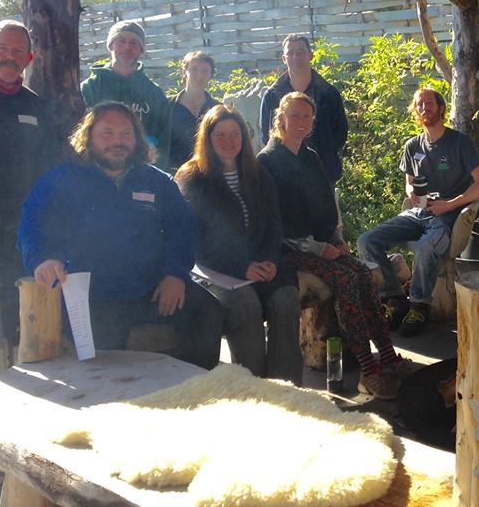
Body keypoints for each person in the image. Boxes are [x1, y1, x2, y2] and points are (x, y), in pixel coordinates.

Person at [17, 102, 222, 369]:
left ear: (137, 138)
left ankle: (196, 387)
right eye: (107, 133)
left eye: (126, 133)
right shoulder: (61, 180)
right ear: (88, 137)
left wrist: (175, 274)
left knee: (208, 311)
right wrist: (41, 259)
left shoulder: (157, 182)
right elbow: (31, 222)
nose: (117, 141)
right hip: (91, 297)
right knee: (105, 360)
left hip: (149, 290)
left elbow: (184, 229)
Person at [259, 92, 412, 398]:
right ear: (281, 118)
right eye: (295, 115)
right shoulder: (267, 161)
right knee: (344, 279)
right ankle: (368, 370)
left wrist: (336, 241)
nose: (301, 121)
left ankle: (387, 356)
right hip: (287, 250)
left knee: (361, 273)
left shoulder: (310, 157)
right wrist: (318, 249)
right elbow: (273, 223)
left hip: (320, 244)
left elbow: (325, 208)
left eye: (307, 116)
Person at [175, 105, 303, 384]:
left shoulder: (257, 173)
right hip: (212, 269)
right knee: (245, 304)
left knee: (286, 297)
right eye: (220, 134)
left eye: (235, 133)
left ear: (244, 137)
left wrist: (270, 260)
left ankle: (287, 389)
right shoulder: (193, 177)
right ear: (207, 138)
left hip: (258, 263)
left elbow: (273, 225)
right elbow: (196, 240)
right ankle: (251, 387)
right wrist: (241, 267)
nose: (229, 140)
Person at [356, 87, 479, 336]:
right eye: (419, 104)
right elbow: (409, 182)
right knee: (366, 241)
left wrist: (450, 204)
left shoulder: (459, 143)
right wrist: (412, 193)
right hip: (417, 214)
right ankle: (395, 298)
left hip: (446, 217)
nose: (424, 107)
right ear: (415, 111)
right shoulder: (412, 145)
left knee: (425, 247)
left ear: (441, 107)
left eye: (429, 102)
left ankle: (419, 306)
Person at [0, 20, 56, 328]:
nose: (10, 56)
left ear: (29, 59)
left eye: (19, 51)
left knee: (13, 317)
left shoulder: (35, 107)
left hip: (14, 230)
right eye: (3, 48)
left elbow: (47, 166)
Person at [259, 33, 348, 186]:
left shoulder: (328, 94)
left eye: (301, 52)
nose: (296, 57)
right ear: (284, 58)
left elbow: (340, 133)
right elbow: (267, 135)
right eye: (291, 53)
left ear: (311, 56)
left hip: (323, 174)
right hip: (283, 176)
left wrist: (322, 154)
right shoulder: (272, 96)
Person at [81, 20, 172, 169]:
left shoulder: (154, 94)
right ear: (111, 46)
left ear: (141, 50)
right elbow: (79, 136)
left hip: (141, 174)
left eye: (134, 43)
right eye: (121, 41)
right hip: (96, 172)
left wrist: (153, 175)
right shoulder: (90, 88)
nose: (127, 47)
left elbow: (163, 143)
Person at [169, 51, 221, 170]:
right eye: (194, 69)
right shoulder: (168, 107)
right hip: (174, 173)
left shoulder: (217, 109)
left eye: (204, 71)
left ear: (211, 75)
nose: (199, 75)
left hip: (210, 172)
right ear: (184, 72)